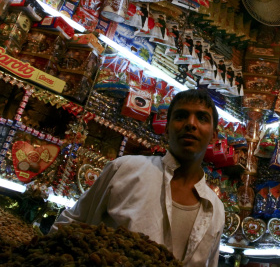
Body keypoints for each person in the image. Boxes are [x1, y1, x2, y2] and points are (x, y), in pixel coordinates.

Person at [51, 90, 225, 266]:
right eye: (181, 116)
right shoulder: (125, 169)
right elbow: (69, 226)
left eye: (202, 118)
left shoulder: (216, 209)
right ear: (166, 129)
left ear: (213, 136)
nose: (191, 124)